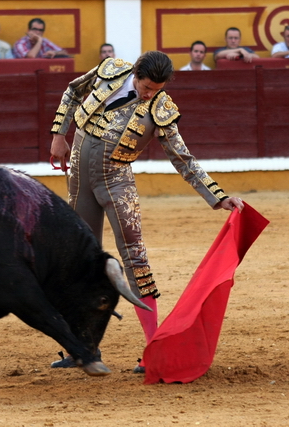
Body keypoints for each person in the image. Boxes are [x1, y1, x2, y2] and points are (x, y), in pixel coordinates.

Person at [48, 51, 244, 373]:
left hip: (116, 184)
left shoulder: (160, 109)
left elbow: (183, 159)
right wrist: (59, 134)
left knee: (136, 261)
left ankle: (153, 348)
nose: (149, 93)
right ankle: (82, 347)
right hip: (80, 181)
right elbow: (72, 90)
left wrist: (218, 196)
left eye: (156, 89)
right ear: (135, 73)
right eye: (146, 86)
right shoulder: (111, 70)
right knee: (79, 262)